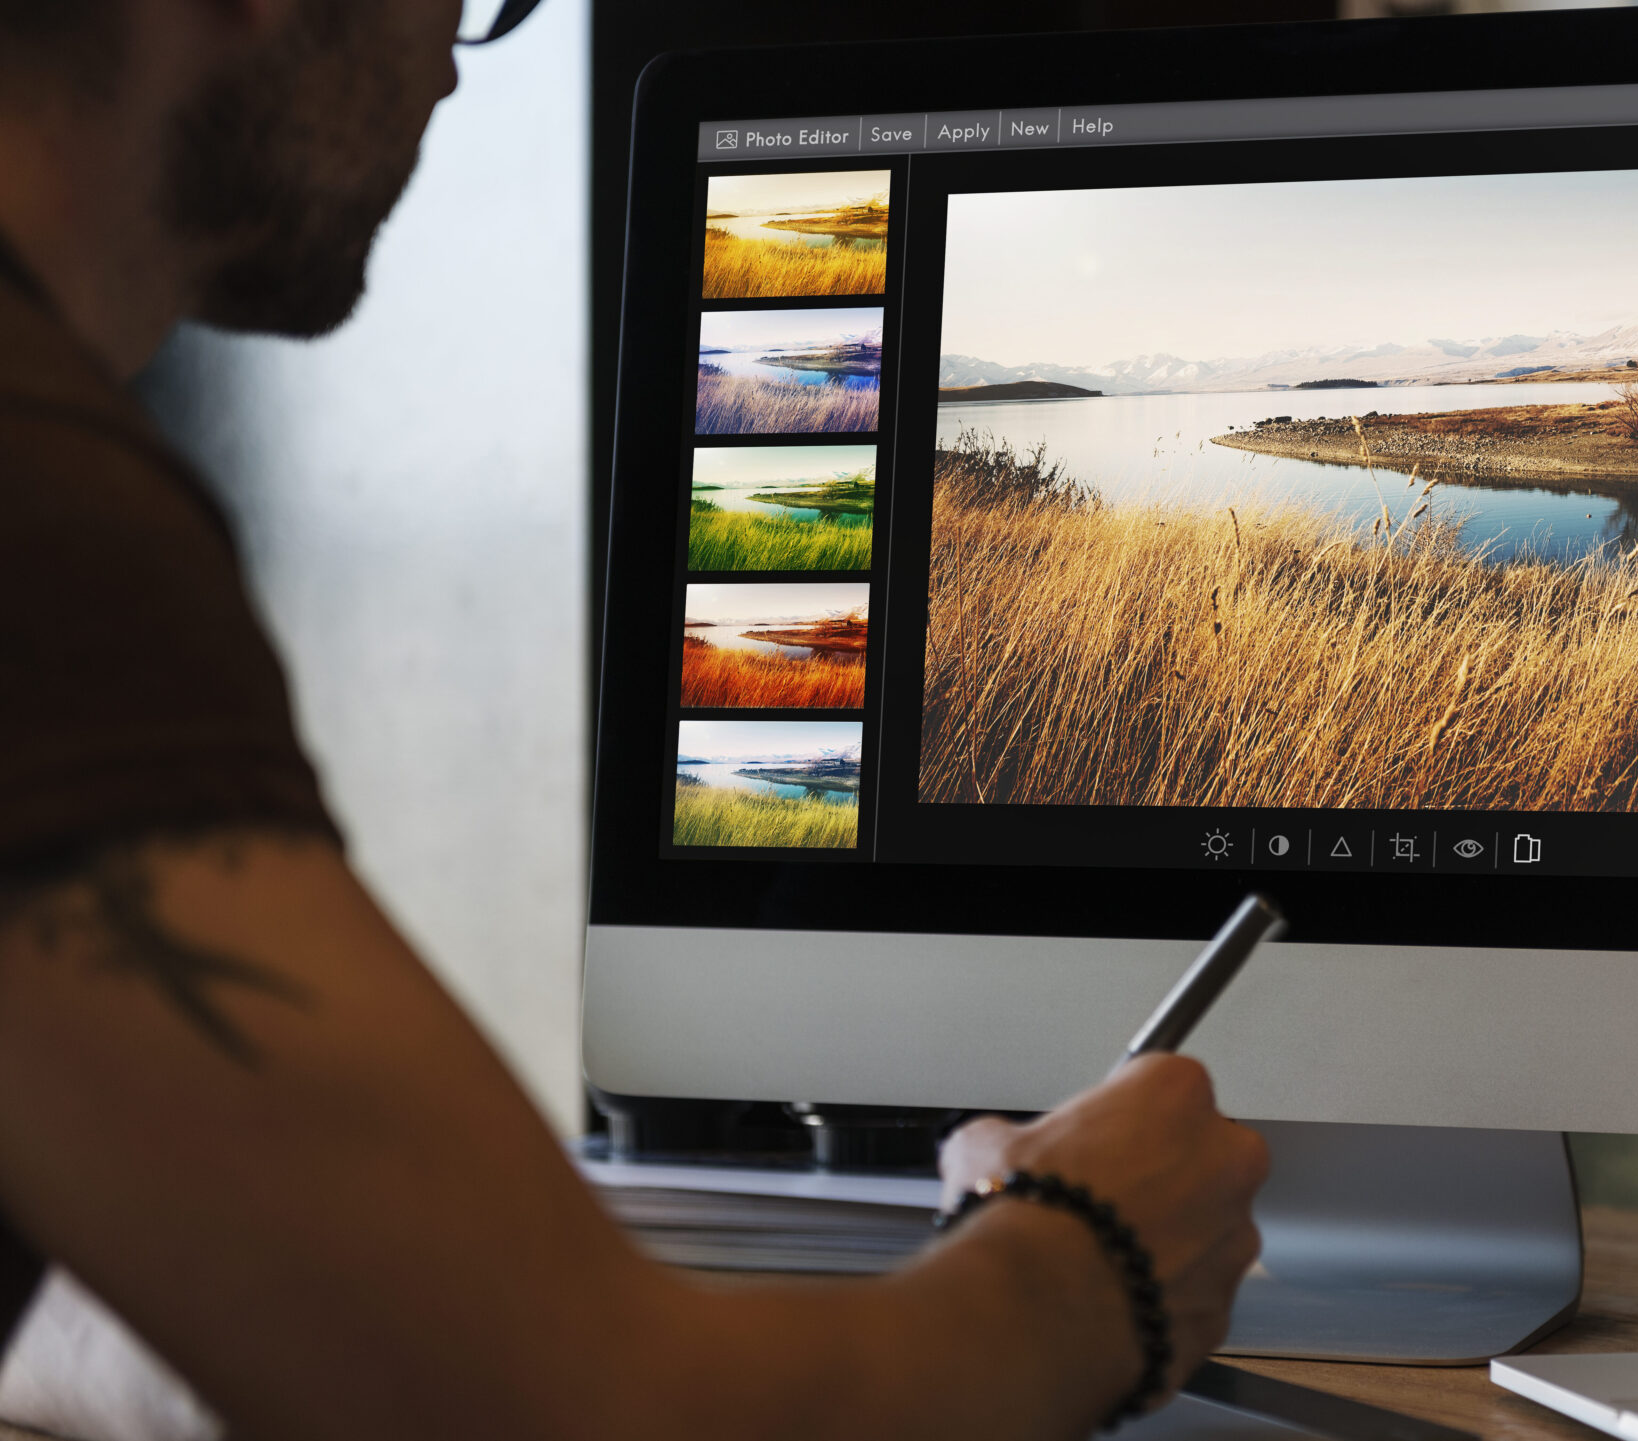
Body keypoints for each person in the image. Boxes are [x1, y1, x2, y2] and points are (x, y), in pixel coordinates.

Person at [0, 3, 1269, 1438]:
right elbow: (608, 1418)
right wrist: (1092, 1265)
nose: (447, 68)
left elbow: (52, 1313)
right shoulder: (44, 521)